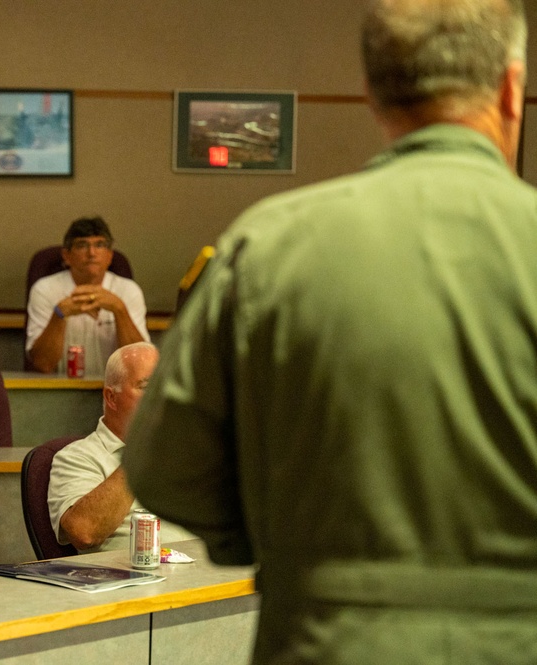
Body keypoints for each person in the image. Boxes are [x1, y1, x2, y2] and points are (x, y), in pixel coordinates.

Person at [125, 0, 534, 662]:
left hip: (324, 637)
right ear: (512, 89)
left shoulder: (266, 246)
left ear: (371, 93)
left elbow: (163, 470)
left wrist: (280, 549)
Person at [48, 342, 196, 552]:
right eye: (146, 387)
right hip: (139, 579)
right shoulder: (76, 457)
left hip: (210, 574)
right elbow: (84, 532)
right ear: (111, 397)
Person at [26, 216, 149, 376]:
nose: (91, 253)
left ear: (109, 256)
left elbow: (140, 365)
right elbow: (43, 364)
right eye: (82, 245)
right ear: (66, 256)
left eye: (99, 245)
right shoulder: (44, 289)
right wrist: (59, 314)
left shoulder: (128, 290)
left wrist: (120, 310)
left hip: (115, 391)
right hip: (60, 389)